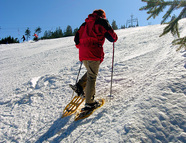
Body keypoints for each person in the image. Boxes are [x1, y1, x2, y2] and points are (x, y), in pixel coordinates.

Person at [71, 9, 118, 112]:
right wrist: (115, 37)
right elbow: (111, 37)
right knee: (92, 76)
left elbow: (76, 39)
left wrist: (82, 47)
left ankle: (79, 85)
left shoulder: (84, 24)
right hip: (94, 52)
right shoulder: (101, 22)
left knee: (90, 71)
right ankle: (89, 103)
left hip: (83, 54)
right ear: (102, 15)